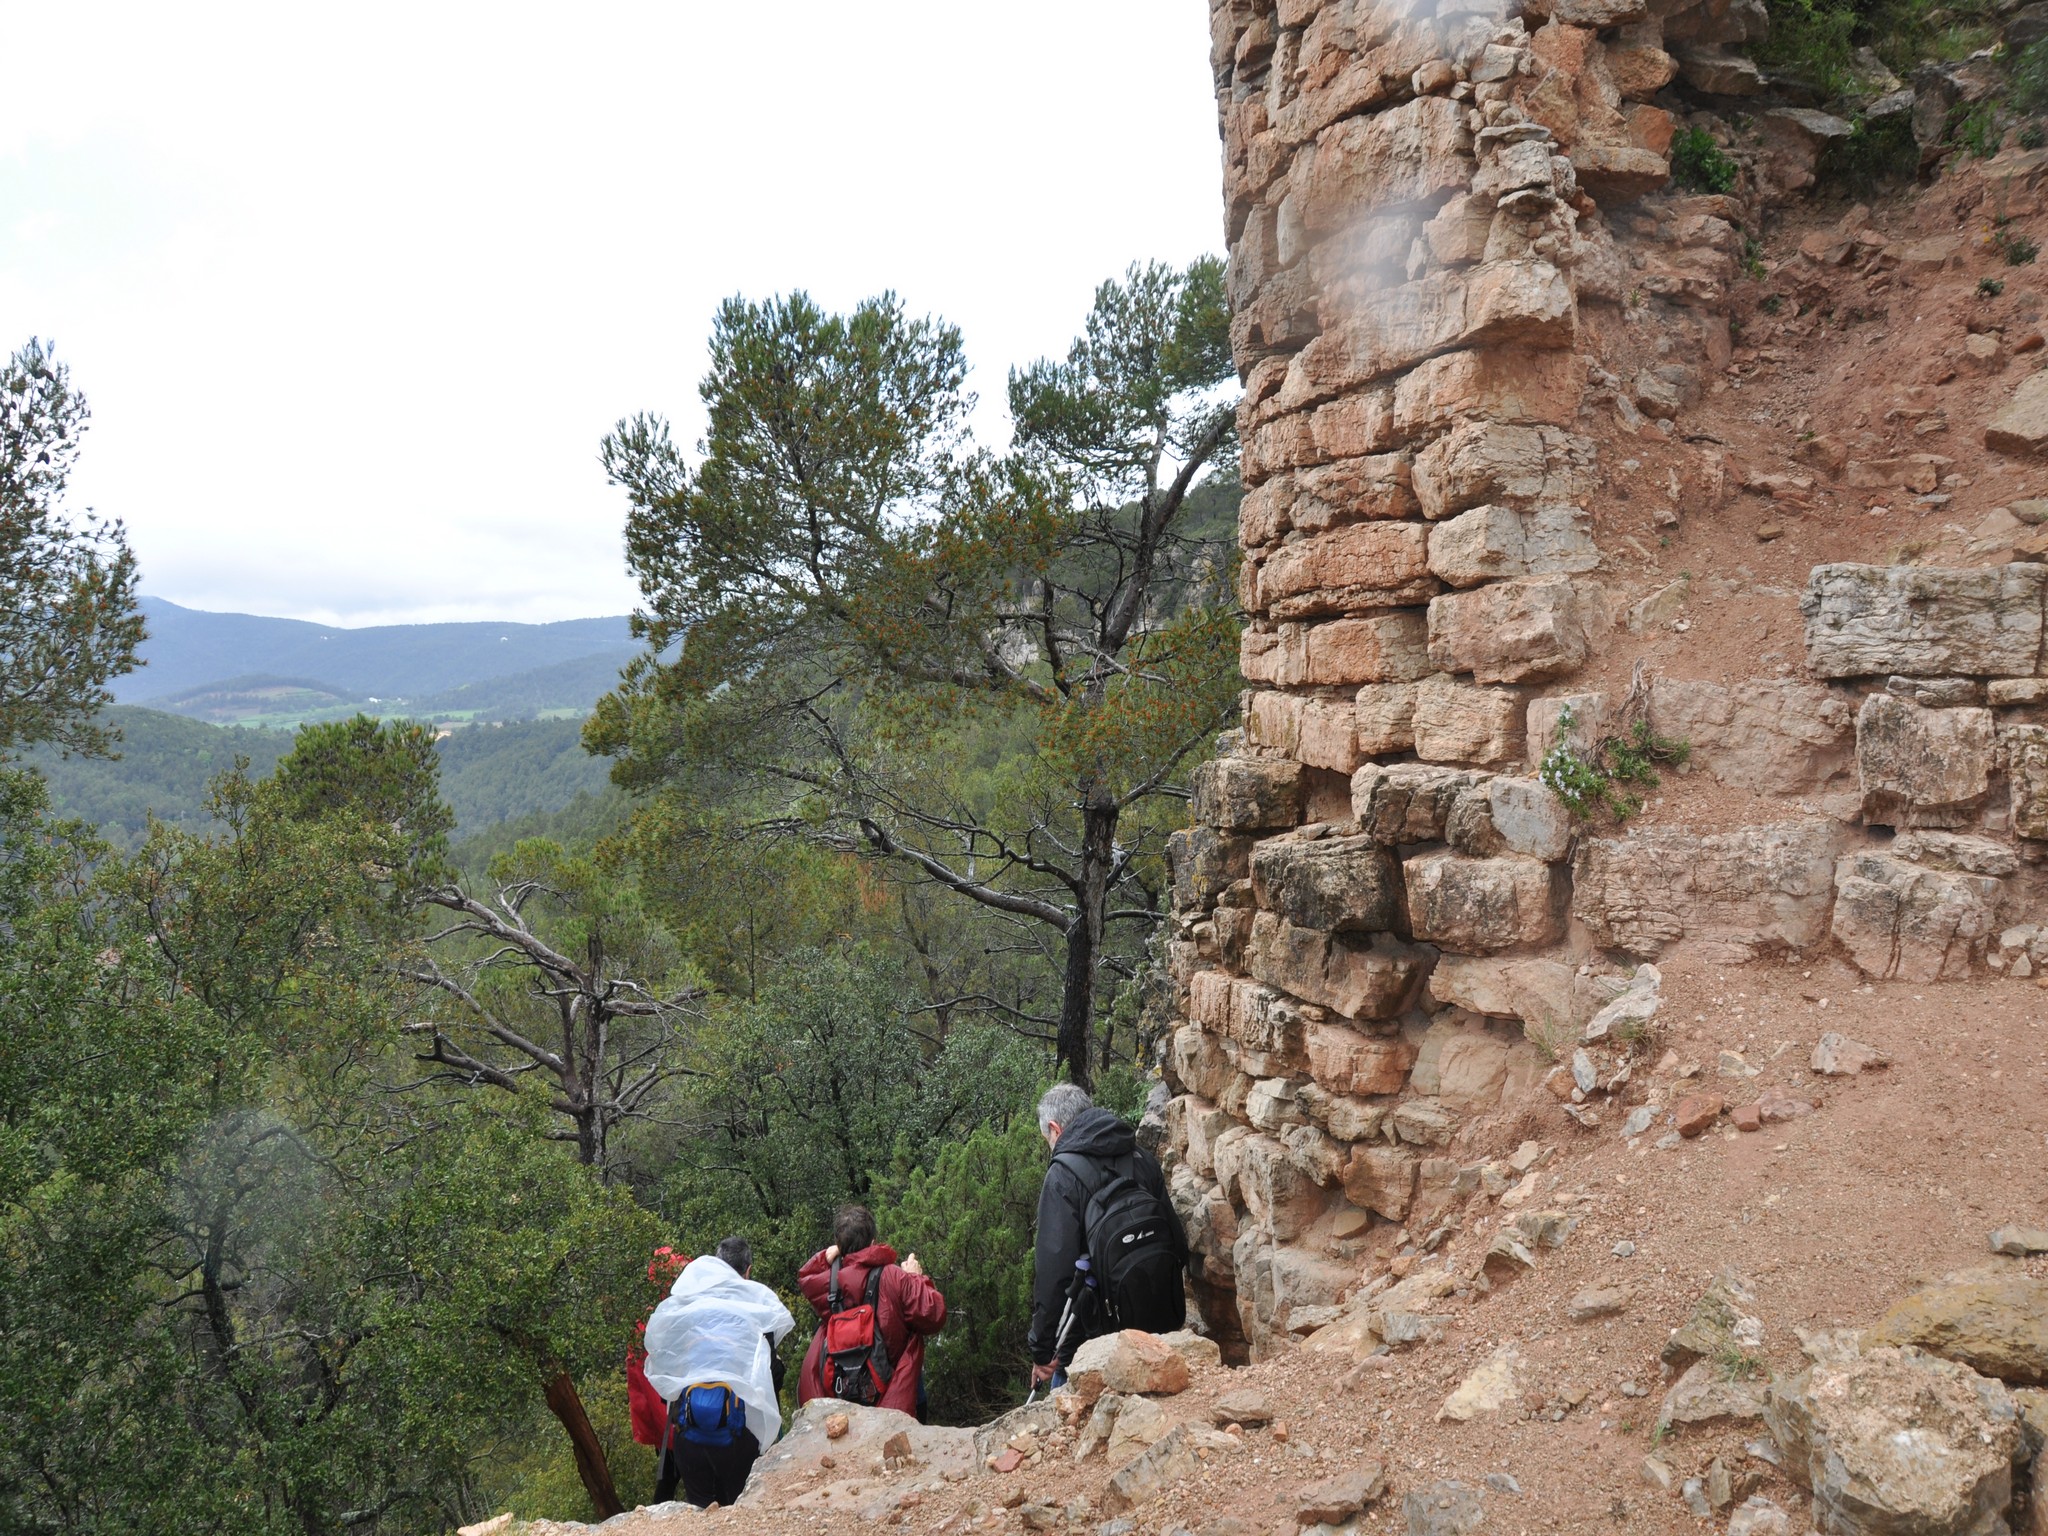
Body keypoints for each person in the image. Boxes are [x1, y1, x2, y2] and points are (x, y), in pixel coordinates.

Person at [1026, 1083, 1188, 1390]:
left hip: (1092, 1340)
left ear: (1055, 1128)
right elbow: (1177, 1244)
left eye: (1048, 1139)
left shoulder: (1062, 1177)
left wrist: (1042, 1349)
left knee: (1071, 1401)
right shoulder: (1140, 1157)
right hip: (1157, 1324)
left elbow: (1054, 1274)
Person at [641, 1236, 795, 1509]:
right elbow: (772, 1376)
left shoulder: (687, 1305)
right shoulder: (756, 1307)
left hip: (690, 1434)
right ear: (747, 1271)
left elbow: (666, 1374)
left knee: (701, 1512)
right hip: (739, 1437)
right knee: (739, 1511)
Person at [796, 1204, 947, 1420]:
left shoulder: (828, 1282)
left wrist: (828, 1256)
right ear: (873, 1241)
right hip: (894, 1397)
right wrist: (915, 1277)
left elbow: (806, 1276)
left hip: (842, 1395)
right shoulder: (894, 1276)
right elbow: (933, 1314)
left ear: (838, 1244)